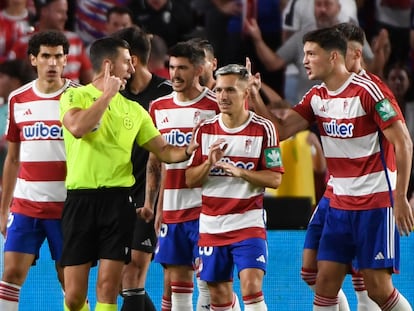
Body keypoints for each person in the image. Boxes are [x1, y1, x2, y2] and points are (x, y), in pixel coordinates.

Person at [260, 25, 413, 310]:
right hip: (339, 205)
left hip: (375, 204)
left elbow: (403, 143)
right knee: (324, 282)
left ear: (333, 57)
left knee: (379, 289)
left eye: (311, 54)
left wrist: (401, 197)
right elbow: (279, 131)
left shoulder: (370, 91)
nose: (304, 61)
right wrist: (254, 96)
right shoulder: (317, 96)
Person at [185, 63, 284, 311]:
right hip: (212, 223)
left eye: (229, 90)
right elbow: (190, 179)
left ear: (245, 94)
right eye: (218, 90)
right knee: (218, 294)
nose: (222, 96)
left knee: (251, 286)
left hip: (248, 222)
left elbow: (275, 179)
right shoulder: (205, 130)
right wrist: (209, 162)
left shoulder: (264, 129)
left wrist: (241, 172)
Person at [0, 30, 78, 311]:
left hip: (67, 206)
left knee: (70, 285)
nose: (53, 62)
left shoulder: (79, 97)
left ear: (66, 59)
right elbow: (12, 158)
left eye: (59, 56)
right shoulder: (18, 99)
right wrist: (3, 208)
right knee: (10, 275)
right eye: (46, 56)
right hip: (26, 204)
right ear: (34, 59)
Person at [148, 41, 221, 311]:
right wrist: (155, 205)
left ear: (199, 70)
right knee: (177, 283)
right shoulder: (158, 107)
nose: (175, 74)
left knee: (210, 284)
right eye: (172, 67)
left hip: (208, 209)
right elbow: (155, 160)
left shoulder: (216, 105)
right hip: (173, 208)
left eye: (182, 68)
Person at [111, 25, 172, 311]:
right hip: (118, 192)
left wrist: (159, 202)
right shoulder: (112, 95)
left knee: (134, 272)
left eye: (117, 59)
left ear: (131, 60)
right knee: (125, 280)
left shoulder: (166, 95)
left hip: (153, 195)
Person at [8, 0, 93, 84]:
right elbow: (10, 81)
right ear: (44, 11)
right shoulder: (23, 43)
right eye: (60, 12)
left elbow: (89, 80)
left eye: (65, 12)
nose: (65, 17)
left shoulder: (74, 40)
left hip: (72, 96)